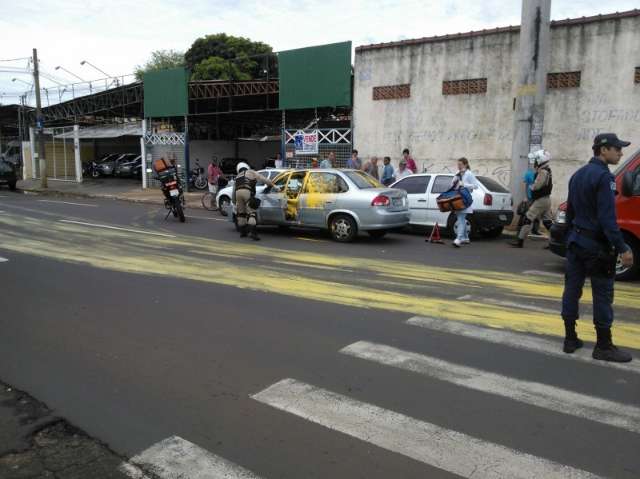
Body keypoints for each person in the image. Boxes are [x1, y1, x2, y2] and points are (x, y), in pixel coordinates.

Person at [561, 133, 634, 362]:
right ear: (603, 150)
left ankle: (570, 338)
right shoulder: (604, 177)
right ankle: (603, 346)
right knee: (602, 295)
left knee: (572, 290)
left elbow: (570, 213)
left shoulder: (578, 175)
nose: (620, 153)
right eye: (617, 149)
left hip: (576, 242)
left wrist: (569, 239)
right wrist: (622, 247)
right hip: (597, 247)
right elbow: (607, 219)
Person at [511, 149, 553, 248]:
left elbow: (537, 186)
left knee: (528, 218)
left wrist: (531, 186)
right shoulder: (547, 170)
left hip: (541, 200)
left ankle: (520, 241)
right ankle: (554, 242)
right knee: (548, 223)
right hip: (546, 199)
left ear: (540, 160)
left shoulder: (542, 172)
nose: (535, 162)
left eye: (536, 160)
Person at [232, 162, 278, 241]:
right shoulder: (251, 172)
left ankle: (243, 232)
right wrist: (271, 184)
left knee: (241, 214)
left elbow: (233, 191)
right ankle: (253, 232)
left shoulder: (237, 176)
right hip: (247, 191)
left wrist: (234, 201)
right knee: (251, 212)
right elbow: (262, 178)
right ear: (247, 167)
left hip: (238, 194)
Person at [451, 157, 478, 248]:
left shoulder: (469, 174)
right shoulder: (457, 173)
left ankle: (458, 239)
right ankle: (465, 238)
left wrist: (464, 184)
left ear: (465, 165)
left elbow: (475, 186)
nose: (459, 166)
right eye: (458, 164)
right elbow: (452, 184)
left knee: (461, 219)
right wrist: (454, 182)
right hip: (457, 198)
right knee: (461, 218)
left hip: (465, 199)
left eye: (460, 164)